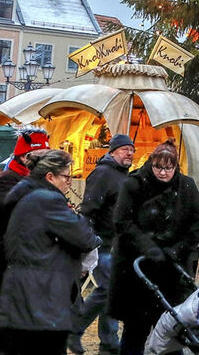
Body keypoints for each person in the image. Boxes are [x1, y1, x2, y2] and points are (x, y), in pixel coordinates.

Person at [0, 150, 101, 355]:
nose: (69, 182)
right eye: (66, 177)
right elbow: (85, 237)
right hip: (43, 295)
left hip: (27, 291)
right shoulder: (47, 200)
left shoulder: (27, 194)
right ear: (50, 177)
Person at [110, 141, 199, 355]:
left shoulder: (186, 186)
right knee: (135, 330)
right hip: (137, 270)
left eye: (168, 168)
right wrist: (148, 247)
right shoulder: (133, 184)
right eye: (158, 167)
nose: (163, 173)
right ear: (151, 164)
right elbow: (122, 222)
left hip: (172, 271)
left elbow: (196, 222)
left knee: (171, 331)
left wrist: (178, 250)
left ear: (175, 167)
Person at [0, 125, 51, 355]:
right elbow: (15, 215)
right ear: (24, 157)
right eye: (40, 158)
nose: (44, 162)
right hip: (3, 270)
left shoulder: (41, 182)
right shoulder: (4, 181)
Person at [68, 133, 134, 355]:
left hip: (119, 244)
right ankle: (75, 329)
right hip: (102, 243)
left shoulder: (124, 176)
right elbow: (89, 208)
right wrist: (88, 242)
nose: (130, 153)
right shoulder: (103, 173)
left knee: (113, 293)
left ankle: (109, 343)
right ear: (113, 151)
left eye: (132, 150)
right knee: (107, 289)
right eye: (125, 149)